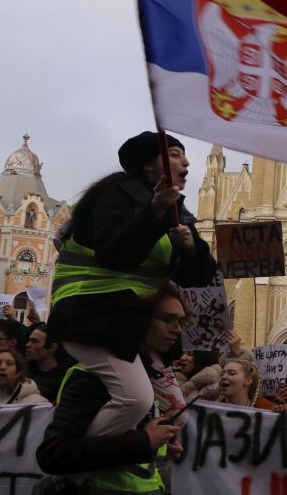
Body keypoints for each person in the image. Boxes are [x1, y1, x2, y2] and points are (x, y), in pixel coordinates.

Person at [46, 131, 218, 436]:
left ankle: (145, 459)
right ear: (149, 165)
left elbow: (200, 277)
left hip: (132, 325)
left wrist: (190, 246)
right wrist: (154, 212)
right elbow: (115, 254)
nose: (187, 163)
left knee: (177, 414)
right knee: (135, 401)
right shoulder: (117, 195)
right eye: (176, 154)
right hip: (92, 317)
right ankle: (78, 462)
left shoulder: (180, 210)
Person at [37, 285, 190, 493]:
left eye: (180, 321)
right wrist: (145, 442)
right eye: (166, 319)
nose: (177, 329)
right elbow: (55, 455)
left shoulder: (147, 374)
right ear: (139, 318)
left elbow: (125, 437)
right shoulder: (93, 377)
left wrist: (159, 448)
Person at [25, 324, 73, 403]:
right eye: (29, 340)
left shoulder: (67, 380)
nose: (28, 345)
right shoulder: (22, 372)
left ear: (52, 347)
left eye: (34, 341)